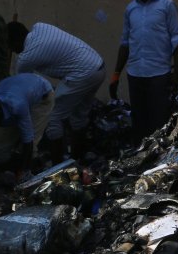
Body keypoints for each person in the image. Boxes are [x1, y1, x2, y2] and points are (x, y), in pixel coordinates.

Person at [7, 21, 105, 160]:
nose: (11, 50)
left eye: (10, 45)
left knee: (53, 117)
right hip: (98, 66)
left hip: (81, 74)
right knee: (78, 117)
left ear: (16, 41)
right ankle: (79, 160)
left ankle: (57, 167)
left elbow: (23, 90)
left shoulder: (26, 58)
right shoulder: (40, 26)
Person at [109, 0, 178, 141]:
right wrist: (115, 74)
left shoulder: (167, 6)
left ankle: (158, 158)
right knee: (139, 121)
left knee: (159, 121)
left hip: (159, 73)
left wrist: (176, 73)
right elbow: (125, 43)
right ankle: (140, 158)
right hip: (135, 73)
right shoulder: (130, 9)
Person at [0, 72, 54, 179]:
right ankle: (7, 173)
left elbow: (28, 140)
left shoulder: (17, 105)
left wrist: (23, 171)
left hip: (41, 97)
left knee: (30, 149)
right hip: (20, 92)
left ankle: (33, 172)